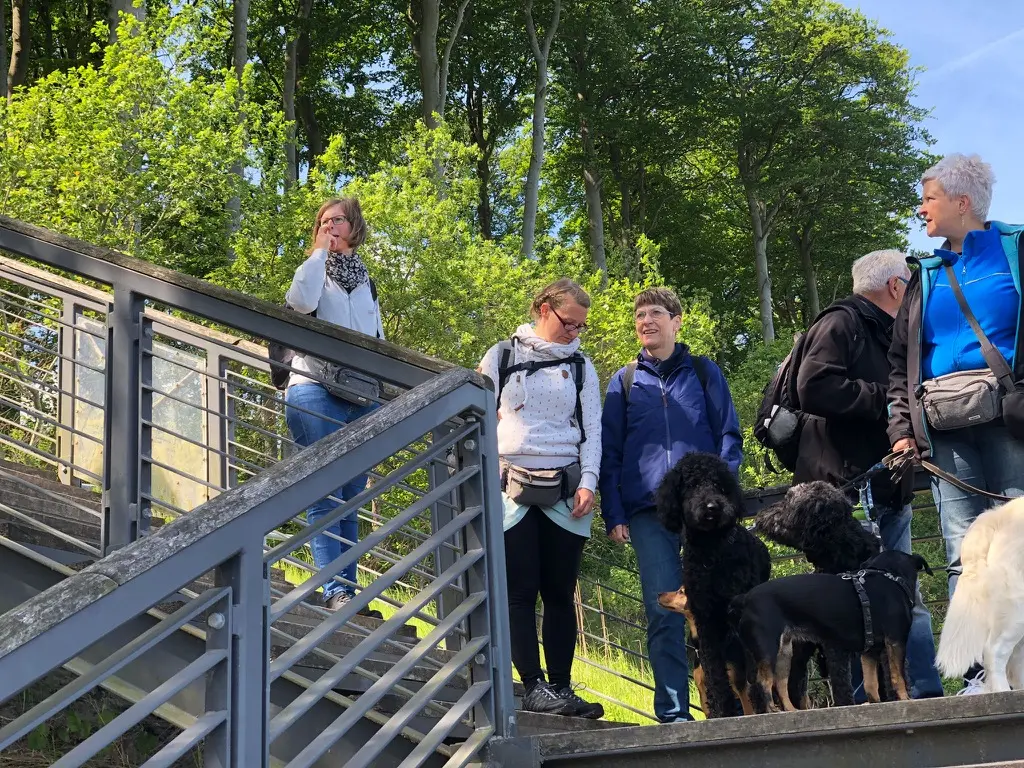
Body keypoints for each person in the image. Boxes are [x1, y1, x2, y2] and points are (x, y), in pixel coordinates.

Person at [888, 153, 1024, 694]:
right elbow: (899, 362)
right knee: (960, 551)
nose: (922, 209)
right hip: (943, 427)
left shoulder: (1015, 250)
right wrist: (902, 427)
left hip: (1012, 421)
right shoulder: (924, 273)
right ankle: (980, 675)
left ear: (962, 203)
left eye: (930, 198)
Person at [794, 249, 943, 700]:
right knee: (854, 598)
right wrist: (884, 398)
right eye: (910, 286)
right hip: (848, 488)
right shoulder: (842, 323)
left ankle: (922, 690)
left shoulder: (888, 331)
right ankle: (867, 698)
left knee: (902, 594)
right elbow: (812, 385)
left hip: (887, 485)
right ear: (896, 286)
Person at [599, 287, 743, 723]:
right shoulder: (624, 383)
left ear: (677, 321)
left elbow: (729, 437)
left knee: (723, 606)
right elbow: (610, 453)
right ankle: (673, 717)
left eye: (656, 313)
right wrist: (615, 512)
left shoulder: (703, 372)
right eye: (640, 315)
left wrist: (722, 495)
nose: (647, 321)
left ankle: (732, 706)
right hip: (648, 514)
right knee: (663, 614)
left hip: (706, 517)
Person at [478, 278, 604, 719]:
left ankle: (562, 687)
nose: (576, 333)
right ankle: (532, 687)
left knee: (559, 591)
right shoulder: (502, 356)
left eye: (581, 327)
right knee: (519, 590)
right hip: (509, 486)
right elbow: (476, 417)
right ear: (545, 310)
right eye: (570, 324)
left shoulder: (584, 366)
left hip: (566, 489)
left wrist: (589, 479)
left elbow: (593, 428)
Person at [283, 197, 385, 616]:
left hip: (361, 395)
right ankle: (334, 591)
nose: (330, 226)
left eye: (337, 220)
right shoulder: (313, 269)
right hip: (313, 386)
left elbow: (375, 337)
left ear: (354, 226)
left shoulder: (366, 281)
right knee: (325, 489)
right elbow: (301, 303)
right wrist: (317, 254)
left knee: (350, 496)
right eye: (323, 222)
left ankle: (349, 589)